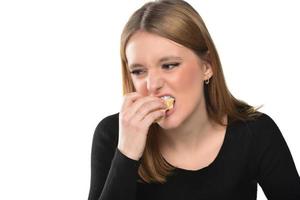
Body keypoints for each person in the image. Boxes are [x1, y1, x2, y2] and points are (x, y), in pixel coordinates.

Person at [88, 0, 300, 199]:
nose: (152, 85)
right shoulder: (113, 135)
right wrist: (127, 154)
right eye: (139, 71)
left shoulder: (255, 133)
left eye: (169, 65)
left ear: (207, 67)